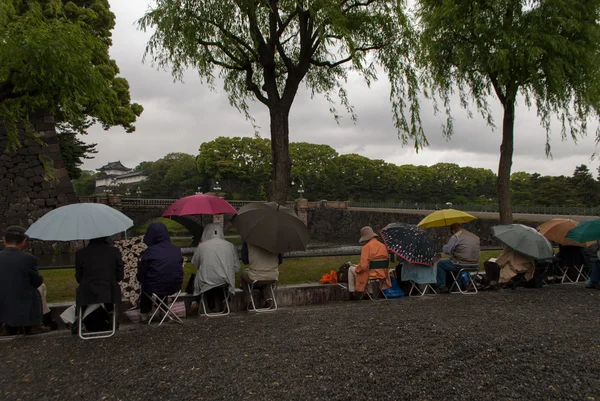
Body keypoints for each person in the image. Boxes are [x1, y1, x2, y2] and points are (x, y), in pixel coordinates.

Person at [0, 226, 49, 336]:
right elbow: (36, 281)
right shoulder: (28, 259)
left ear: (4, 240)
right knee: (40, 288)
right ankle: (35, 324)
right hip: (22, 303)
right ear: (23, 241)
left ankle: (5, 324)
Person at [75, 237, 124, 331]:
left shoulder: (80, 253)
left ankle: (80, 321)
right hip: (110, 293)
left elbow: (79, 278)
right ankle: (111, 315)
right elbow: (119, 276)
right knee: (108, 288)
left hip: (87, 293)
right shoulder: (114, 251)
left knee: (85, 289)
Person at [137, 222, 184, 322]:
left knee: (148, 284)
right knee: (164, 278)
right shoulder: (176, 249)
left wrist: (140, 278)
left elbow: (142, 274)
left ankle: (144, 313)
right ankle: (163, 311)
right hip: (175, 285)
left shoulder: (149, 252)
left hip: (155, 286)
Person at [189, 224, 240, 314]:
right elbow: (237, 268)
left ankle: (195, 301)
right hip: (225, 280)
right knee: (219, 280)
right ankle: (225, 299)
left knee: (199, 278)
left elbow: (194, 264)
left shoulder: (202, 246)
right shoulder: (230, 245)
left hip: (206, 280)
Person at [348, 226, 390, 300]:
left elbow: (363, 266)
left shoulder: (366, 247)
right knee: (368, 270)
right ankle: (369, 293)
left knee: (351, 269)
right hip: (382, 273)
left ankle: (352, 292)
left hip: (370, 273)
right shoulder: (382, 246)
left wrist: (357, 268)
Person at [436, 223, 480, 292]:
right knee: (451, 262)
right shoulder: (474, 236)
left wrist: (447, 243)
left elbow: (446, 251)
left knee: (441, 264)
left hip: (461, 263)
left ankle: (441, 286)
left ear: (453, 231)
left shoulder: (455, 237)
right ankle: (455, 286)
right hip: (475, 264)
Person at [240, 242, 282, 309]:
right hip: (273, 277)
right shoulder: (275, 242)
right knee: (266, 275)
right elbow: (280, 260)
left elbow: (245, 260)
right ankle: (268, 298)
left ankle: (248, 301)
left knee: (243, 275)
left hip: (254, 276)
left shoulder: (248, 242)